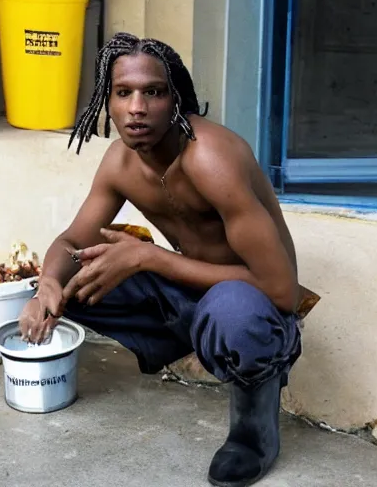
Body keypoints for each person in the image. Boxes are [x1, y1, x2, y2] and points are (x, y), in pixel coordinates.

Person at [18, 32, 302, 487]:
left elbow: (282, 289)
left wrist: (149, 258)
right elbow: (73, 238)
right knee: (72, 278)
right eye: (123, 93)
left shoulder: (211, 158)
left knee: (232, 311)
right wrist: (49, 281)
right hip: (188, 291)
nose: (137, 107)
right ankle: (185, 337)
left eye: (153, 92)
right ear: (105, 101)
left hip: (252, 300)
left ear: (177, 99)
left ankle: (253, 432)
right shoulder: (120, 163)